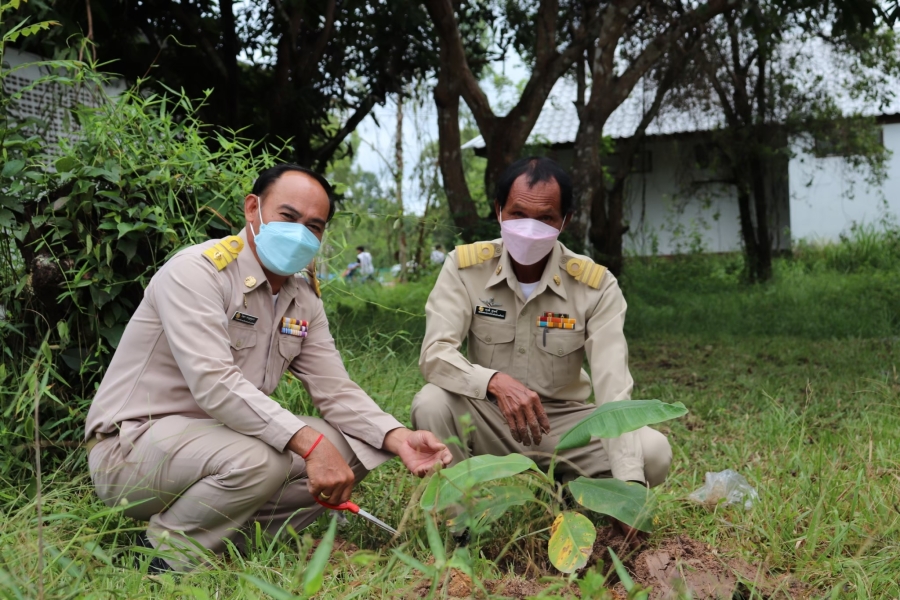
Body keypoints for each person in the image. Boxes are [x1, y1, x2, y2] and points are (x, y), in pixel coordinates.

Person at [85, 164, 452, 572]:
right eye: (288, 217)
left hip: (224, 440)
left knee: (358, 448)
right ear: (252, 208)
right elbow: (215, 384)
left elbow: (335, 388)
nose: (300, 233)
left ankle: (233, 538)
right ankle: (161, 554)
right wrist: (310, 444)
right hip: (133, 450)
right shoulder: (199, 272)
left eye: (314, 226)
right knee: (267, 458)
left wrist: (398, 437)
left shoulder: (302, 297)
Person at [410, 157, 671, 541]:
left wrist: (628, 493)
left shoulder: (595, 285)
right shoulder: (465, 268)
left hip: (565, 427)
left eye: (546, 217)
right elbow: (435, 354)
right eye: (517, 213)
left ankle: (574, 491)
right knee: (431, 402)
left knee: (654, 452)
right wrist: (494, 381)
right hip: (490, 418)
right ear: (499, 211)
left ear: (564, 221)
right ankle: (459, 524)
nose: (529, 228)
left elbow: (614, 388)